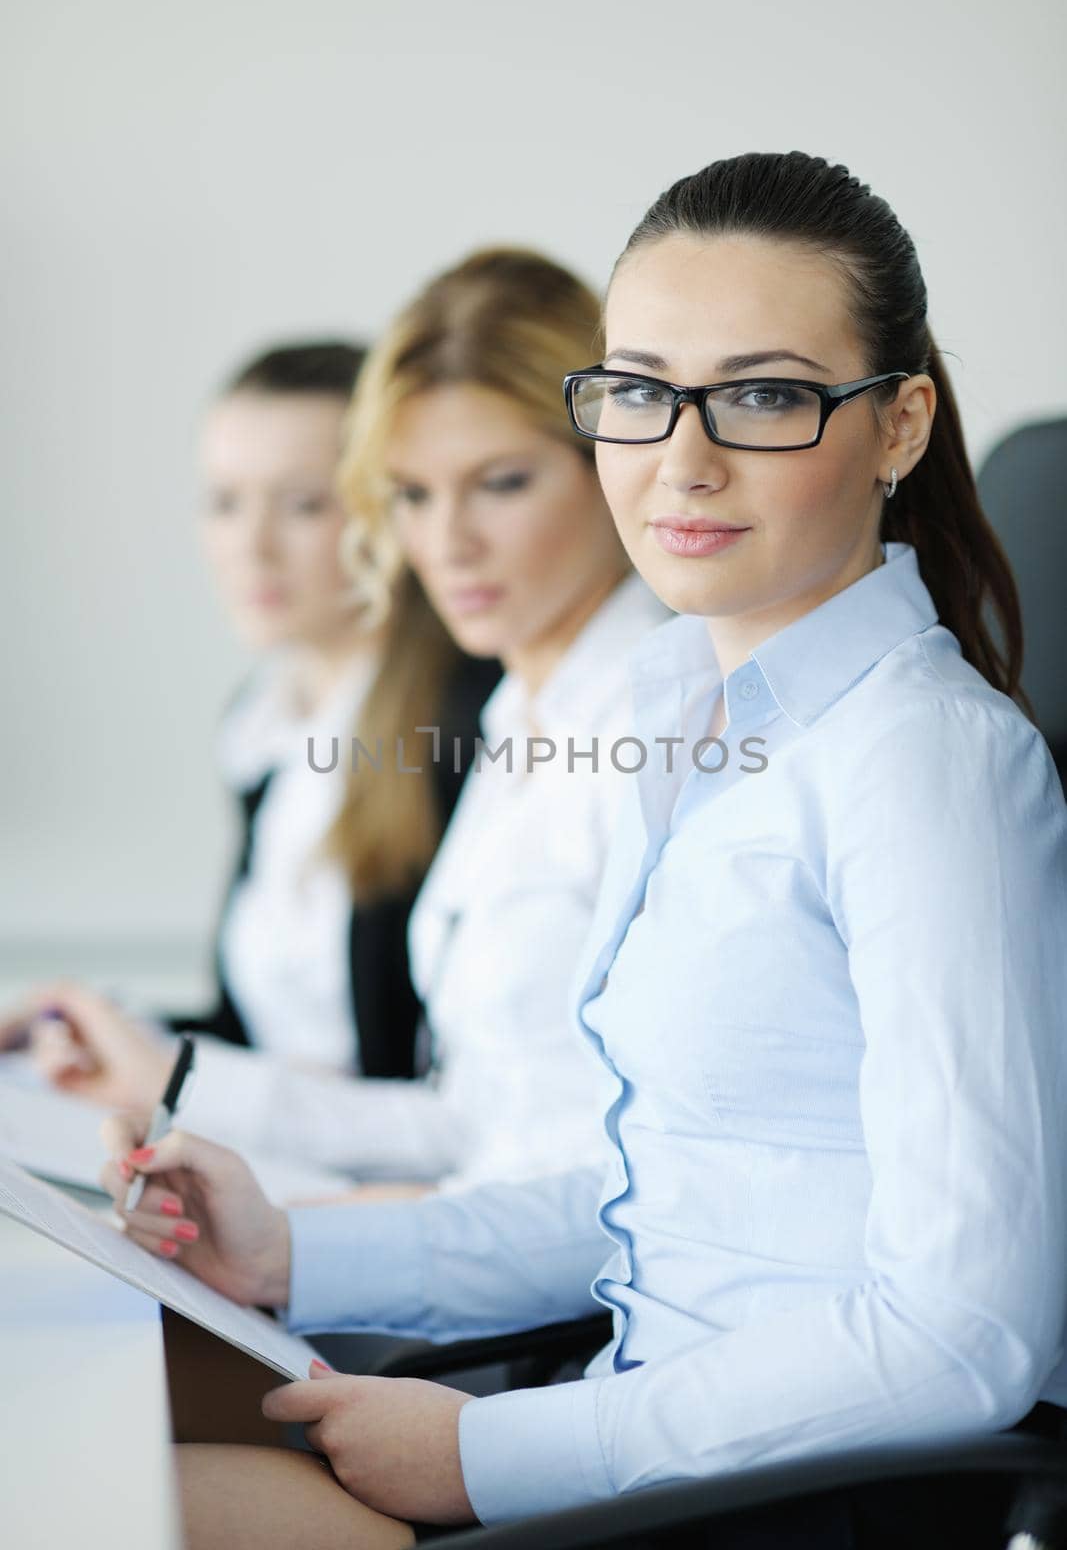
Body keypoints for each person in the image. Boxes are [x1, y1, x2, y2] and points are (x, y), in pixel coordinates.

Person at [101, 152, 1067, 1549]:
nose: (679, 459)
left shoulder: (918, 764)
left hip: (776, 1499)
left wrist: (497, 1454)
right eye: (634, 391)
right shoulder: (690, 718)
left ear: (897, 424)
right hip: (649, 1429)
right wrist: (299, 1251)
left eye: (761, 394)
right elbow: (653, 1197)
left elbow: (959, 1334)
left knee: (113, 1498)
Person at [1, 344, 499, 1146]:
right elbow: (266, 1035)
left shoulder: (467, 724)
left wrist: (173, 1078)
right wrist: (99, 1032)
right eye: (224, 502)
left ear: (387, 511)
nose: (252, 546)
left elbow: (459, 1104)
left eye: (304, 504)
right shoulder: (264, 724)